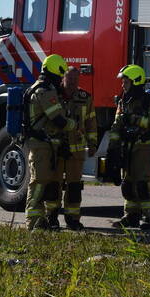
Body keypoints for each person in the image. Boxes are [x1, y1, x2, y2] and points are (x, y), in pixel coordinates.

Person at [24, 54, 75, 230]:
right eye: (61, 74)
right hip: (41, 145)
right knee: (39, 182)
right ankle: (33, 222)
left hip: (46, 144)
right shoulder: (45, 91)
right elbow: (57, 119)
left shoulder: (42, 88)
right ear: (56, 71)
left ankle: (41, 220)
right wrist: (73, 124)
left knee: (45, 182)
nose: (62, 78)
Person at [106, 64, 150, 229]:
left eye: (126, 82)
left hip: (143, 147)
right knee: (128, 183)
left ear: (136, 81)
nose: (123, 85)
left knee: (143, 183)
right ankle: (131, 216)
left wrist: (134, 120)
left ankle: (148, 217)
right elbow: (117, 125)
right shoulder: (124, 100)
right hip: (127, 147)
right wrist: (112, 148)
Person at [57, 66, 97, 231]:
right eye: (69, 79)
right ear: (63, 78)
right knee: (54, 185)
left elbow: (91, 122)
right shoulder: (53, 95)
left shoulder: (85, 98)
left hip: (76, 150)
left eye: (76, 79)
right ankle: (51, 216)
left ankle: (73, 219)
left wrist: (93, 143)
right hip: (57, 148)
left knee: (74, 187)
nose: (73, 82)